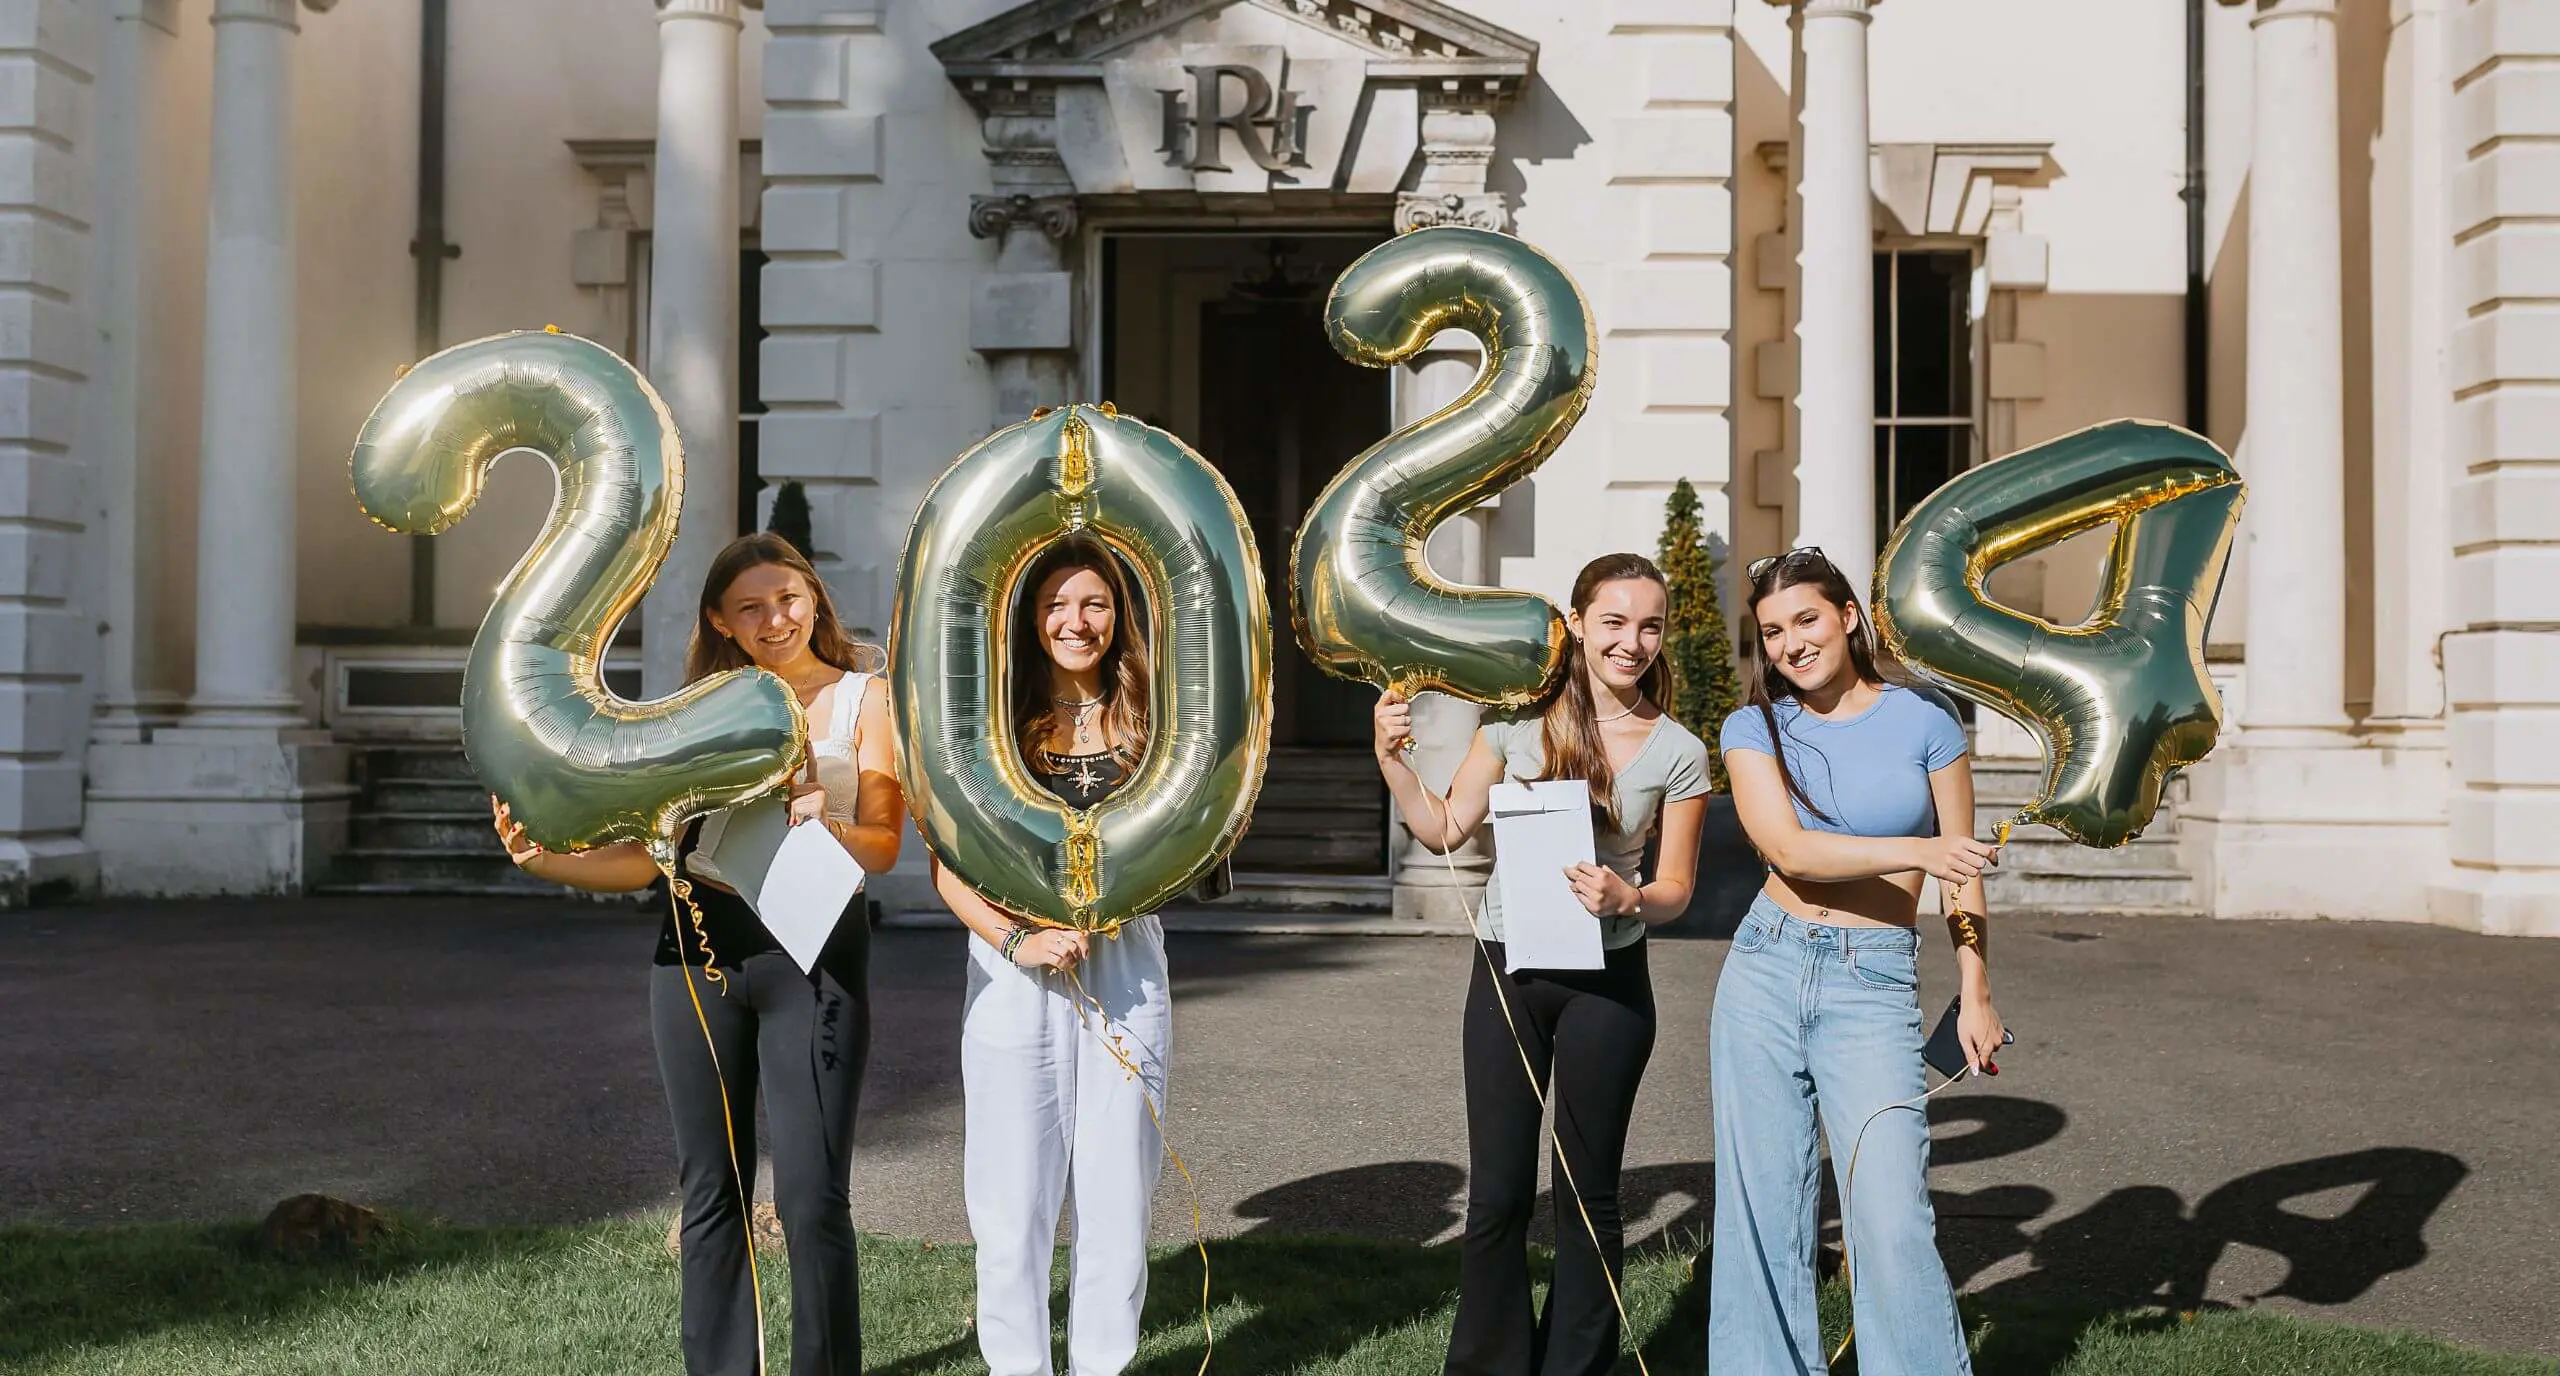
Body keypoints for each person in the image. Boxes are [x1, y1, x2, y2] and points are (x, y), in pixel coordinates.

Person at [492, 531, 904, 1376]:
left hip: (814, 951)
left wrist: (819, 813)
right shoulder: (696, 711)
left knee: (812, 1195)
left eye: (787, 598)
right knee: (710, 1189)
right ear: (720, 620)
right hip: (695, 952)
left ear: (814, 599)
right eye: (749, 607)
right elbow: (651, 859)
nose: (774, 619)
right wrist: (542, 859)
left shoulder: (867, 699)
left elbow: (885, 843)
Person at [1373, 552, 1710, 1376]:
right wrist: (1392, 758)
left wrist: (1627, 900)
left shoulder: (1680, 752)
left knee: (1588, 1199)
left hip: (1609, 988)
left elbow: (1676, 891)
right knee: (1497, 1196)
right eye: (1615, 622)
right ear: (1580, 624)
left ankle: (1575, 1366)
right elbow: (1446, 828)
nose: (1632, 641)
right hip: (1508, 974)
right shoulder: (1513, 728)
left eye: (1650, 625)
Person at [1709, 545, 2007, 1375]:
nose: (1789, 644)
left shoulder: (1926, 720)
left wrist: (1974, 988)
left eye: (1805, 620)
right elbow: (1787, 849)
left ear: (1847, 616)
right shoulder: (1752, 726)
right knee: (1764, 1209)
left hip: (1873, 978)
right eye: (1771, 632)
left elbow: (1961, 878)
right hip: (1766, 968)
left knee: (1891, 1212)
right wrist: (1922, 848)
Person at [933, 535, 1173, 1376]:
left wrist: (1123, 901)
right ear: (1029, 619)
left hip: (1127, 964)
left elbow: (1185, 842)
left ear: (1120, 616)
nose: (1077, 622)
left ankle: (1103, 1364)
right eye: (1056, 605)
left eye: (1095, 603)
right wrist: (1018, 941)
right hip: (1009, 969)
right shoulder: (995, 720)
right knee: (1012, 1194)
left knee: (1117, 1193)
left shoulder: (1158, 718)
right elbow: (948, 869)